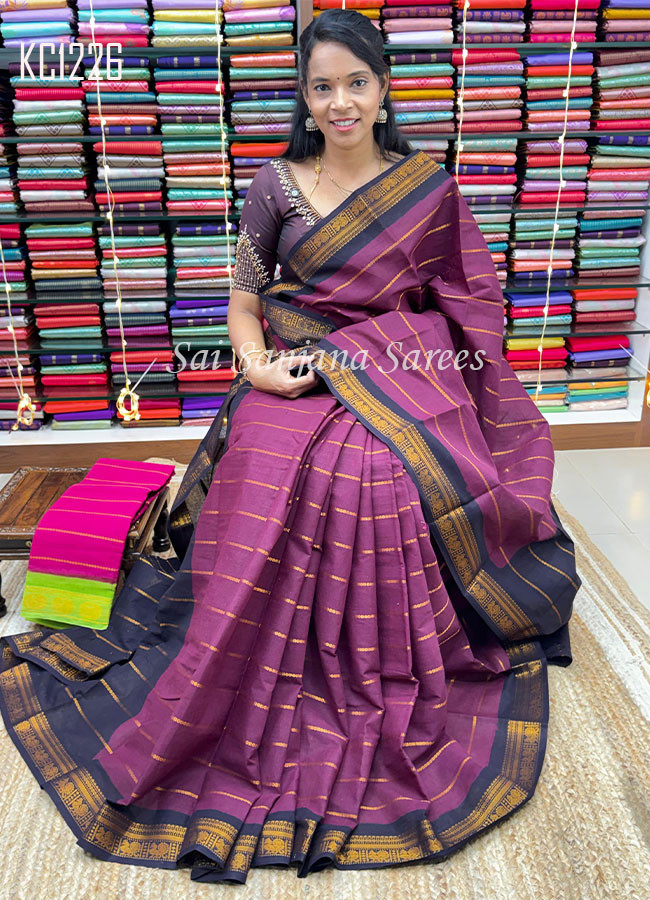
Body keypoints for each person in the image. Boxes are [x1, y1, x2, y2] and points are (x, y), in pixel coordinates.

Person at [0, 8, 580, 886]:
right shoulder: (274, 185)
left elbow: (466, 307)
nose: (340, 102)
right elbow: (243, 301)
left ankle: (378, 669)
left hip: (398, 372)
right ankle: (226, 666)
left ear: (383, 87)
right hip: (292, 371)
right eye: (322, 87)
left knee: (381, 475)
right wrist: (259, 370)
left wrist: (422, 368)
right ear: (305, 98)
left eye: (356, 83)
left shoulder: (428, 188)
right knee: (265, 473)